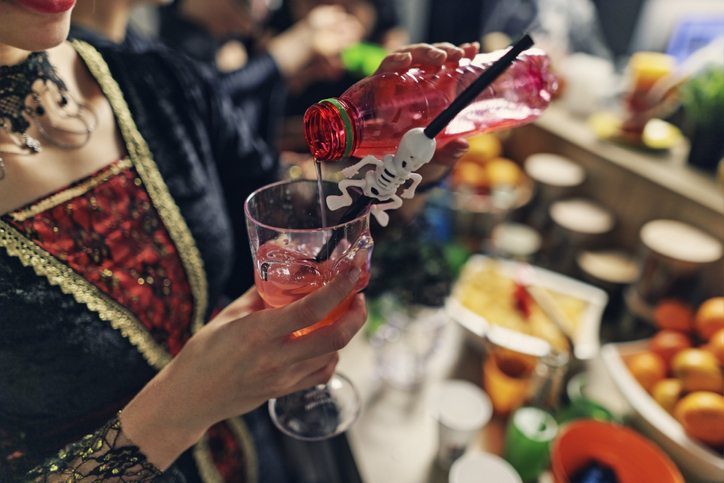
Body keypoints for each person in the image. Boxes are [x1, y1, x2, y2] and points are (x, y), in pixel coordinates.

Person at [0, 1, 477, 481]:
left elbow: (305, 222)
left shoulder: (154, 81)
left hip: (262, 449)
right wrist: (183, 406)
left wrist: (399, 166)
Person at [157, 0, 365, 150]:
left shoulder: (233, 42)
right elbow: (206, 96)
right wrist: (296, 44)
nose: (269, 5)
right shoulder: (168, 51)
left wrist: (302, 76)